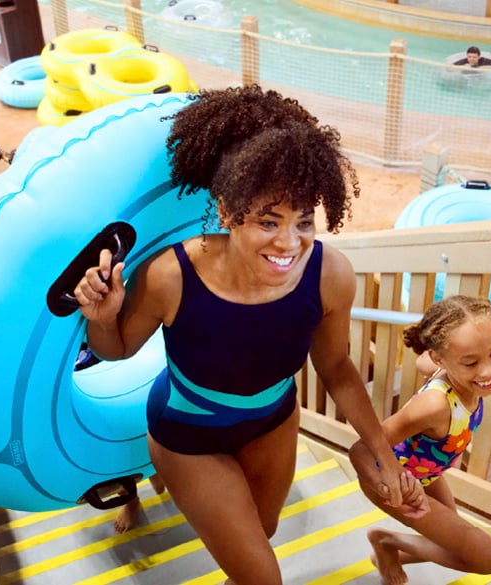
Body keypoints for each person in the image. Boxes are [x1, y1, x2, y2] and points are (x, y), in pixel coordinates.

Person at [72, 85, 426, 581]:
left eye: (304, 221)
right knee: (263, 575)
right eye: (268, 220)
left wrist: (385, 458)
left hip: (273, 422)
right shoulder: (171, 275)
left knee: (264, 530)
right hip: (186, 434)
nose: (289, 242)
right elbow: (117, 351)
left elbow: (338, 368)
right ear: (228, 209)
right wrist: (103, 318)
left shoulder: (330, 275)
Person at [350, 295, 491, 585]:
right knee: (488, 558)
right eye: (471, 362)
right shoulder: (434, 405)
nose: (488, 370)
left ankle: (386, 543)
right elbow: (360, 449)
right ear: (439, 359)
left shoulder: (436, 363)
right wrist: (390, 486)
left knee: (453, 543)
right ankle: (387, 541)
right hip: (395, 482)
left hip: (428, 475)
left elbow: (424, 360)